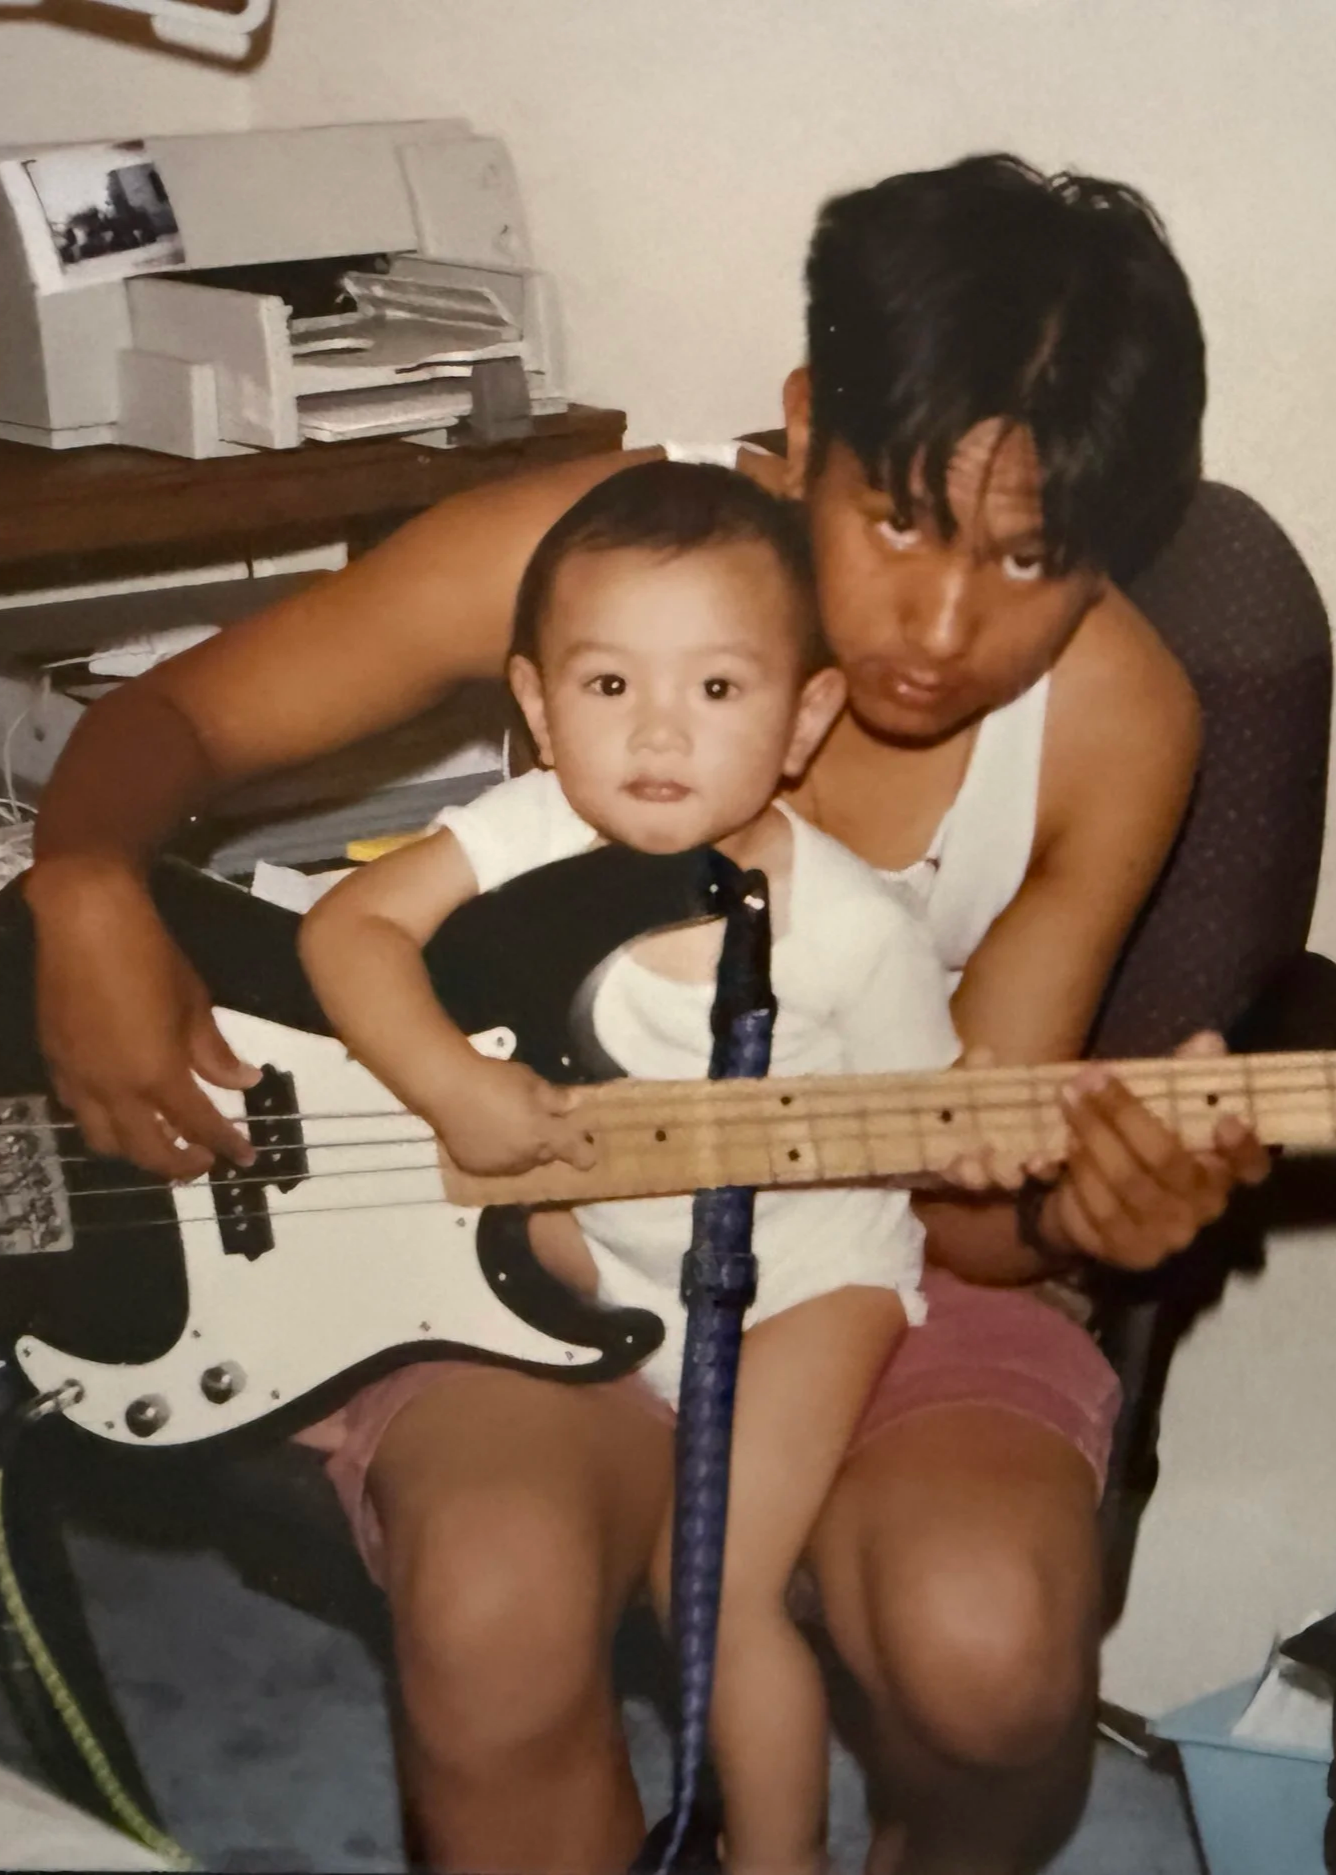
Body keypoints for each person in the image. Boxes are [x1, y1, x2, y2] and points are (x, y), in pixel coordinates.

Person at [27, 154, 1271, 1875]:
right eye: (900, 516)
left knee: (989, 1651)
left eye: (1030, 559)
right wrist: (86, 878)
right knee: (493, 1605)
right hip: (523, 1229)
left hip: (854, 1254)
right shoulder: (589, 549)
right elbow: (183, 717)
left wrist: (1093, 1199)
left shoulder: (1117, 717)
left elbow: (966, 1204)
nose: (940, 622)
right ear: (804, 417)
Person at [299, 458, 961, 1875]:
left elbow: (928, 1128)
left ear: (805, 718)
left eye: (718, 691)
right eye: (607, 689)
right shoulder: (526, 831)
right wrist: (452, 1083)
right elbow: (346, 932)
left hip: (803, 1286)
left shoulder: (853, 931)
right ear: (536, 708)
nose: (658, 730)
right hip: (592, 1277)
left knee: (704, 1587)